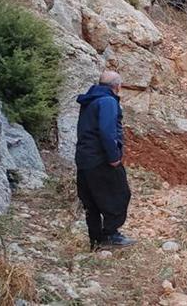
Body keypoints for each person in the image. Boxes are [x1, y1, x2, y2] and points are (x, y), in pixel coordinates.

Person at [75, 70, 135, 251]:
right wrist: (114, 157)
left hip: (84, 159)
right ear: (117, 86)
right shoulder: (108, 101)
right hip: (100, 160)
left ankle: (96, 241)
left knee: (91, 202)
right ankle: (110, 235)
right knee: (120, 194)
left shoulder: (90, 100)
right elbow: (107, 132)